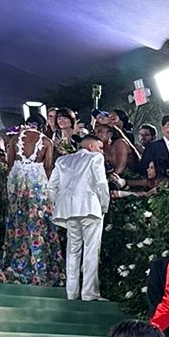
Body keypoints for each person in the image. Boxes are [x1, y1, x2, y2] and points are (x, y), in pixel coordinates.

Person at [48, 125, 111, 300]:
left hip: (68, 211)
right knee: (91, 250)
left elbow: (51, 187)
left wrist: (59, 204)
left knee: (73, 250)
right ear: (91, 147)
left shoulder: (63, 161)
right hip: (91, 208)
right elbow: (101, 184)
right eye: (100, 148)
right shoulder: (95, 158)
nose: (102, 152)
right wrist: (104, 205)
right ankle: (89, 293)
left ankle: (72, 292)